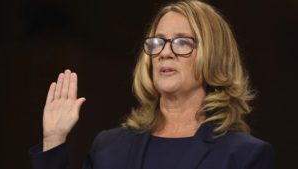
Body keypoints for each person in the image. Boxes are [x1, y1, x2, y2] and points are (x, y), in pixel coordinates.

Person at [29, 0, 274, 169]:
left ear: (214, 55)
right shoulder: (108, 146)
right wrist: (54, 140)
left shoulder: (244, 155)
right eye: (158, 42)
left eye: (182, 42)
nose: (165, 53)